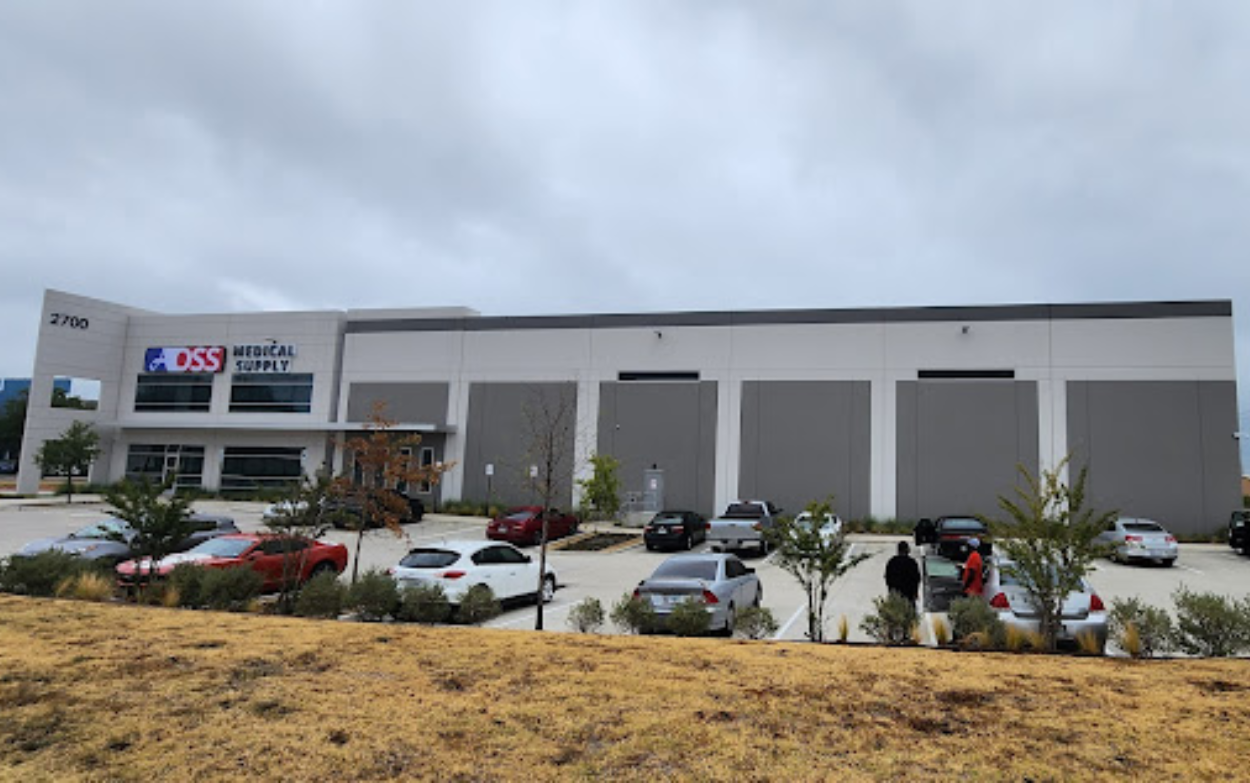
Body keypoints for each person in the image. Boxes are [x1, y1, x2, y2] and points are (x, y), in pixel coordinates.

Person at [885, 540, 921, 606]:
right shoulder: (912, 562)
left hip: (896, 593)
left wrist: (891, 591)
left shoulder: (892, 562)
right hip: (909, 594)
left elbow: (888, 578)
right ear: (907, 550)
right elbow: (916, 579)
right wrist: (915, 593)